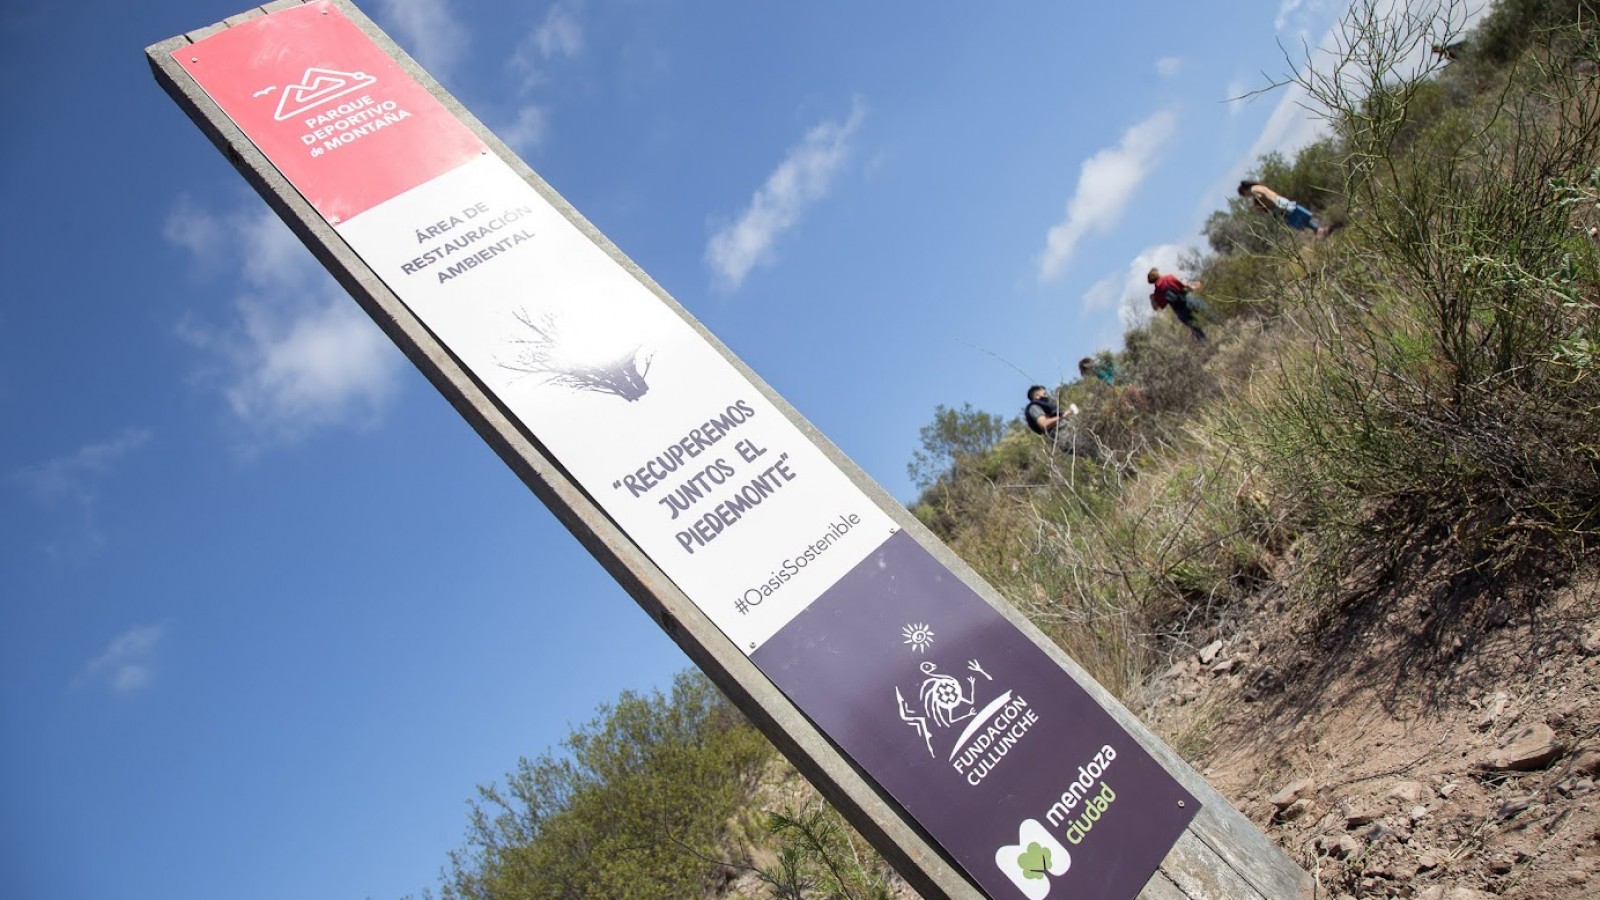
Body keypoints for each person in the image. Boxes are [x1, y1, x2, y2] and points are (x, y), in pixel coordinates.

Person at [1237, 180, 1332, 237]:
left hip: (1277, 205)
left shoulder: (1253, 190)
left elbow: (1263, 195)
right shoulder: (1257, 186)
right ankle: (1318, 230)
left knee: (1296, 219)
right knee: (1299, 216)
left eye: (1244, 195)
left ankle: (1318, 231)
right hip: (1279, 201)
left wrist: (1272, 204)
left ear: (1244, 191)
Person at [1147, 268, 1207, 342]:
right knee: (1209, 313)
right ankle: (1223, 325)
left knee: (1197, 330)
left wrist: (1152, 298)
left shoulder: (1157, 293)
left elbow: (1155, 308)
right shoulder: (1169, 277)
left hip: (1180, 310)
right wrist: (1195, 286)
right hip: (1188, 299)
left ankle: (1209, 347)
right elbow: (1184, 285)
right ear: (1157, 274)